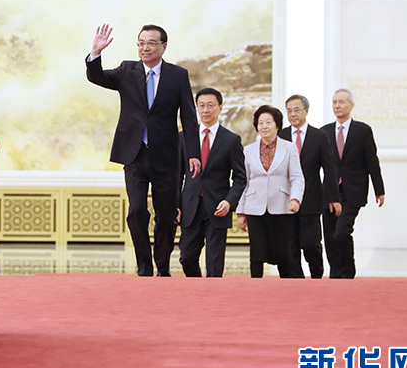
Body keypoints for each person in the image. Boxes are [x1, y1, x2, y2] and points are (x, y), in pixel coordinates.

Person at [86, 23, 200, 277]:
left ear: (163, 47)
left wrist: (193, 153)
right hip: (134, 154)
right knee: (136, 211)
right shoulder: (127, 70)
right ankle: (144, 266)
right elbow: (97, 77)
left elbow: (189, 118)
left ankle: (162, 267)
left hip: (167, 156)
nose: (145, 47)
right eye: (141, 43)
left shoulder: (178, 75)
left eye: (151, 43)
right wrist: (95, 53)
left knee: (167, 216)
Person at [178, 88, 246, 277]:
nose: (205, 110)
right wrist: (176, 204)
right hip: (190, 206)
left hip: (218, 207)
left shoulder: (231, 140)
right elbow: (177, 175)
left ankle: (212, 293)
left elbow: (240, 178)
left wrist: (229, 201)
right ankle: (197, 288)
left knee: (214, 264)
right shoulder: (184, 137)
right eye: (201, 106)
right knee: (186, 258)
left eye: (210, 105)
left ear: (220, 108)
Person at [320, 88, 385, 279]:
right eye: (334, 102)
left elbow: (372, 161)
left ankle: (348, 272)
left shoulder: (362, 131)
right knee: (330, 236)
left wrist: (379, 190)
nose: (337, 106)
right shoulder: (324, 132)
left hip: (353, 191)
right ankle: (335, 274)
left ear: (352, 105)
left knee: (342, 232)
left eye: (341, 102)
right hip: (330, 192)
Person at [236, 105, 305, 278]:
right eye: (260, 123)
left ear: (277, 125)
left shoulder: (289, 148)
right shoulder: (248, 150)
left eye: (268, 122)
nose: (264, 126)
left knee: (283, 254)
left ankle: (286, 287)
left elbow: (297, 177)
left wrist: (295, 199)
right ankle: (255, 288)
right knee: (256, 254)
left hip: (281, 206)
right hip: (254, 207)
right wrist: (241, 212)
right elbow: (244, 182)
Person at [279, 94, 341, 278]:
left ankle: (316, 276)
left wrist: (334, 198)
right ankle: (295, 281)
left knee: (311, 243)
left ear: (306, 111)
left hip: (312, 198)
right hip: (286, 199)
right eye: (289, 111)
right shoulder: (281, 136)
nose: (292, 114)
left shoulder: (319, 136)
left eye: (296, 110)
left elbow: (329, 169)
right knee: (290, 245)